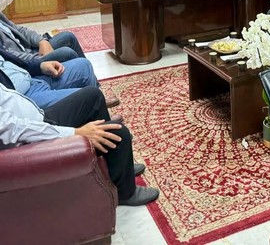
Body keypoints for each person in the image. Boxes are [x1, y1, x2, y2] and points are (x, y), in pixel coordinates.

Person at [0, 82, 159, 206]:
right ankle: (124, 193)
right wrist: (75, 133)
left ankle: (115, 165)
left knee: (93, 96)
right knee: (118, 132)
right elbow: (11, 129)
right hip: (31, 144)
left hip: (38, 121)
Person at [0, 46, 101, 109]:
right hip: (21, 97)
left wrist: (40, 66)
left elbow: (13, 59)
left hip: (31, 78)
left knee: (83, 65)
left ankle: (95, 114)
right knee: (91, 96)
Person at [0, 12, 85, 63]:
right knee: (67, 53)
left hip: (30, 50)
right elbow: (7, 55)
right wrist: (38, 58)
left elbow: (20, 30)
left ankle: (91, 82)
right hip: (25, 62)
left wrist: (42, 41)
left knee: (68, 37)